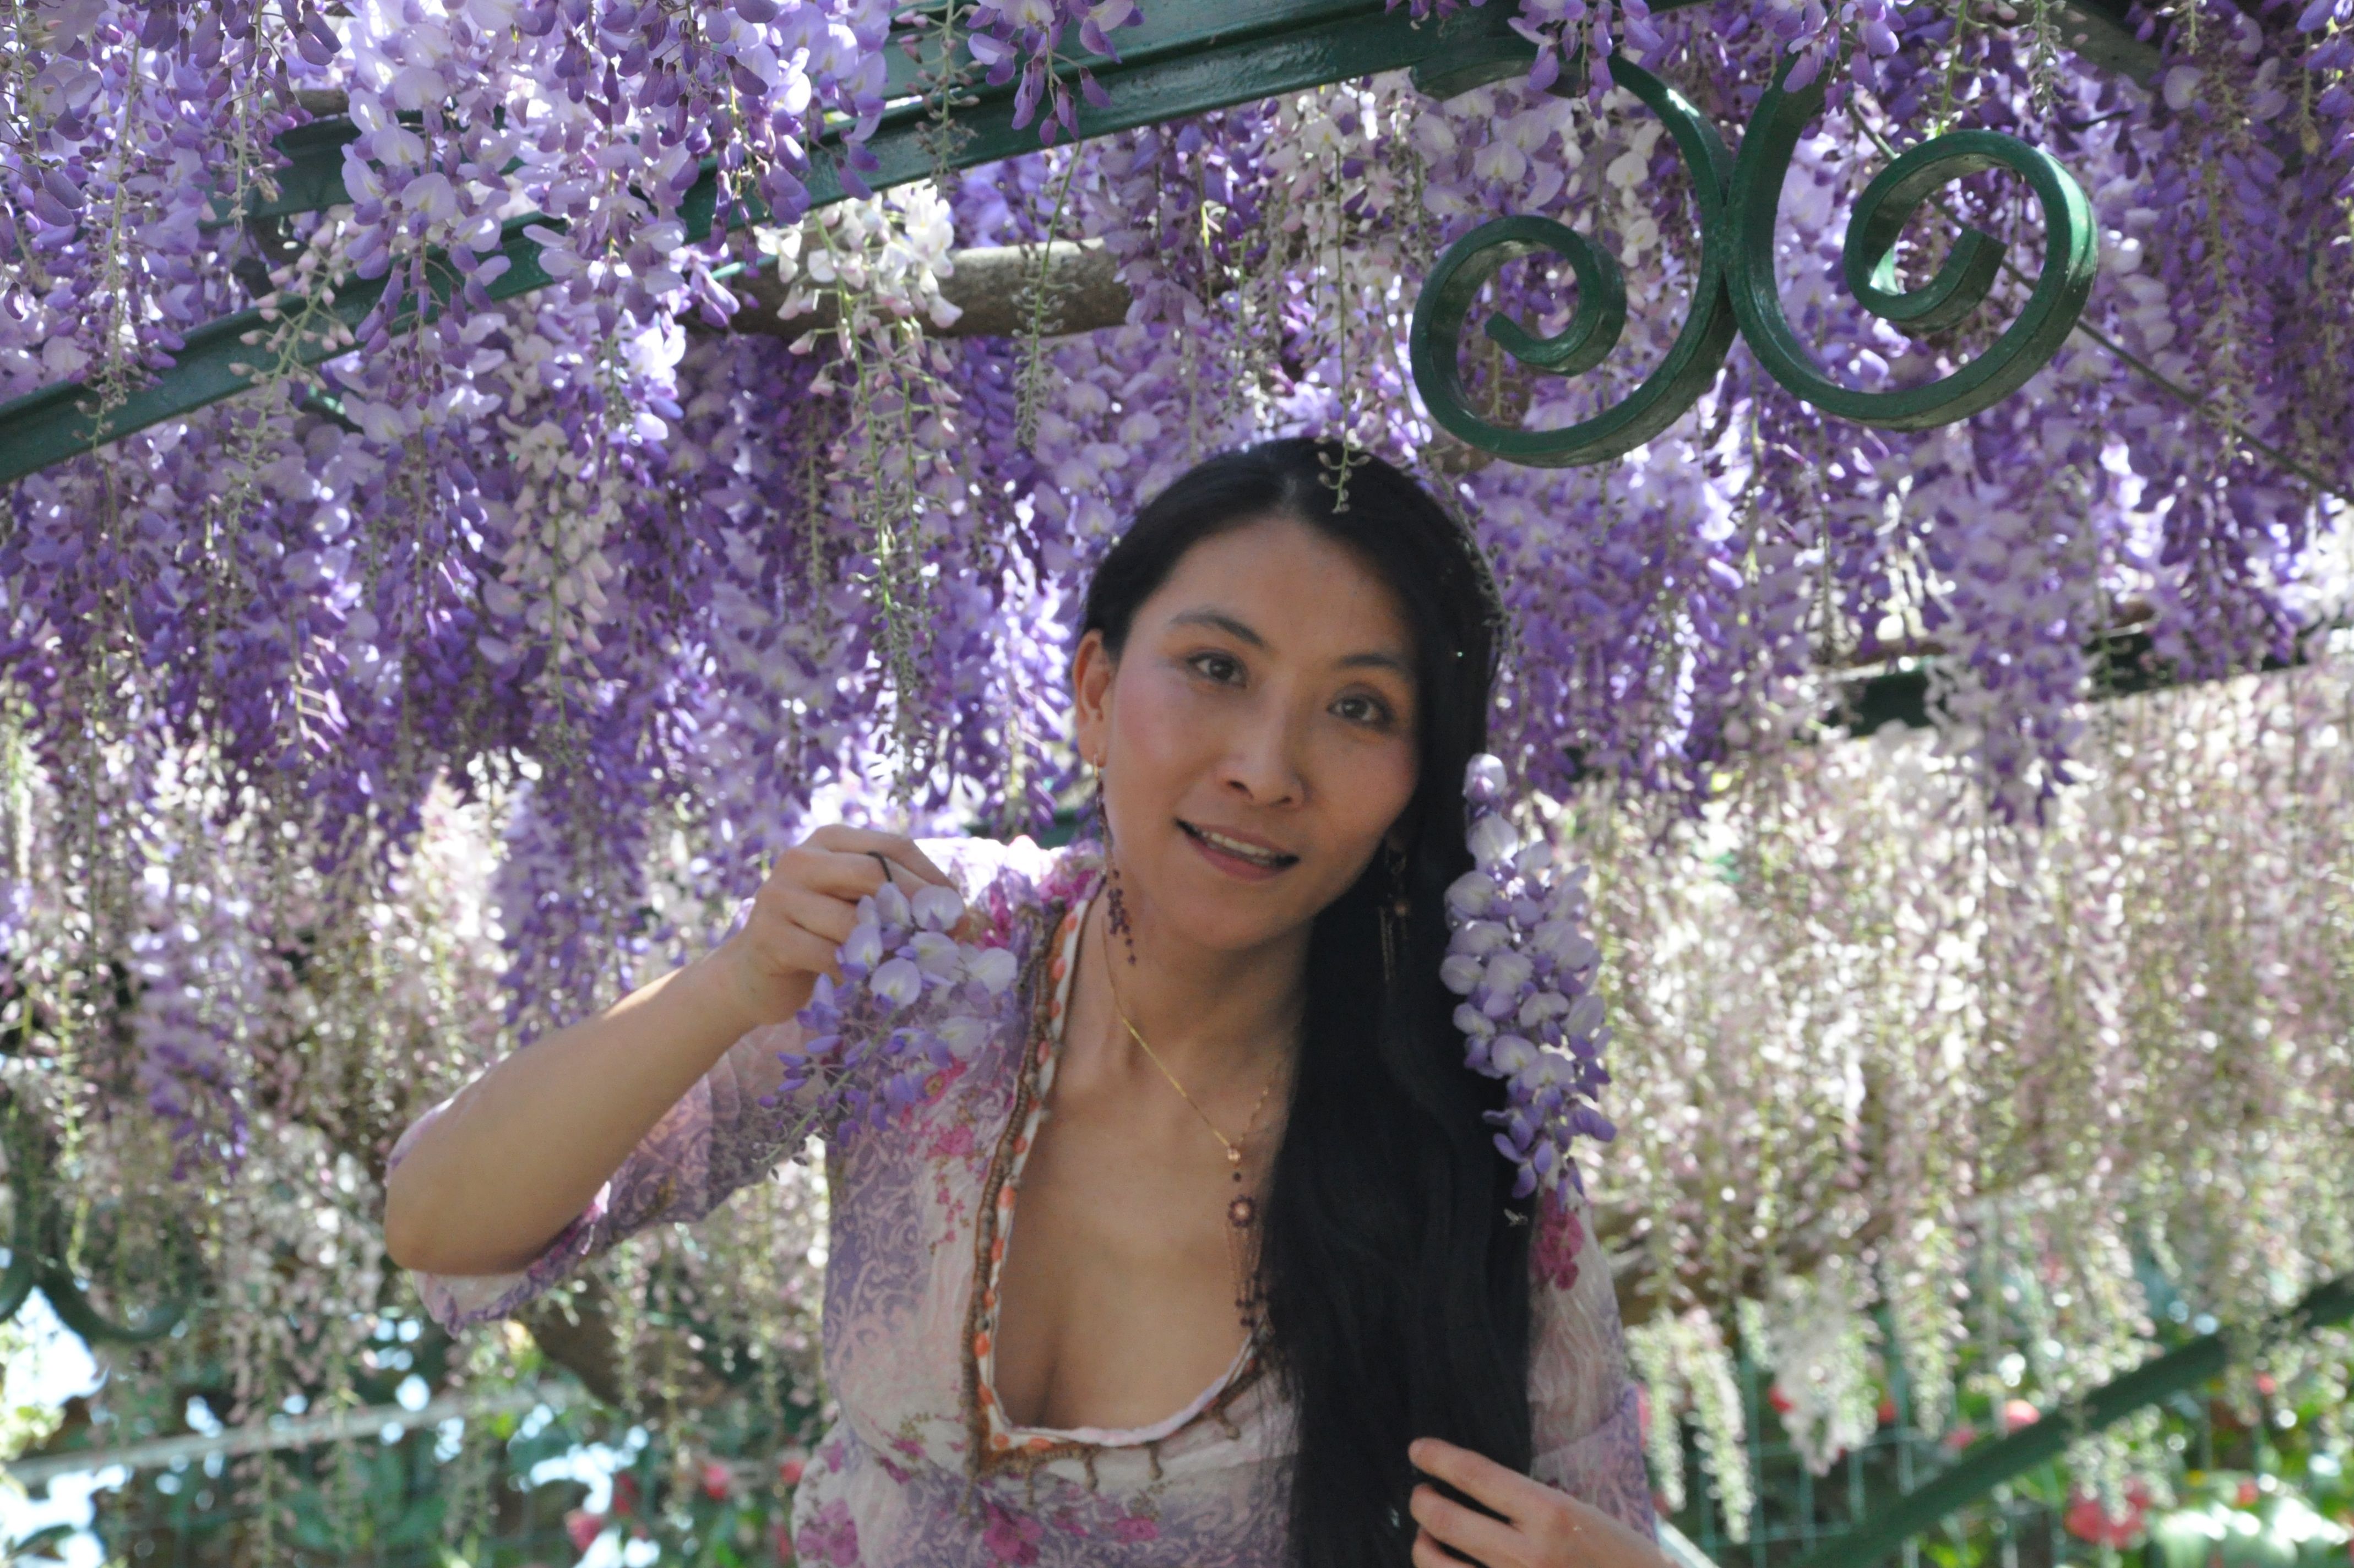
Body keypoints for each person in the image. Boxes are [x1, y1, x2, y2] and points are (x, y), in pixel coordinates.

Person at [383, 438, 1666, 1568]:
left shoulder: (1461, 1137)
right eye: (1216, 667)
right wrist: (728, 986)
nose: (1265, 768)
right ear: (1096, 693)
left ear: (1412, 788)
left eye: (1356, 707)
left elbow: (1592, 1527)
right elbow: (442, 1220)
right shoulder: (937, 959)